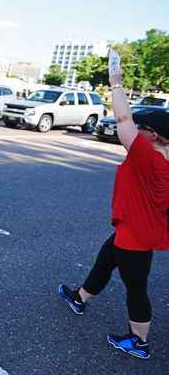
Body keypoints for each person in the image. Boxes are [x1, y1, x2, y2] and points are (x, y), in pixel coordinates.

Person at [57, 63, 169, 360]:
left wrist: (115, 82)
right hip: (135, 228)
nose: (137, 129)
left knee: (136, 288)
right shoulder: (162, 158)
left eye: (142, 128)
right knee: (106, 260)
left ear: (153, 135)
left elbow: (122, 118)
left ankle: (139, 342)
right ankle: (80, 298)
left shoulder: (150, 158)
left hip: (135, 235)